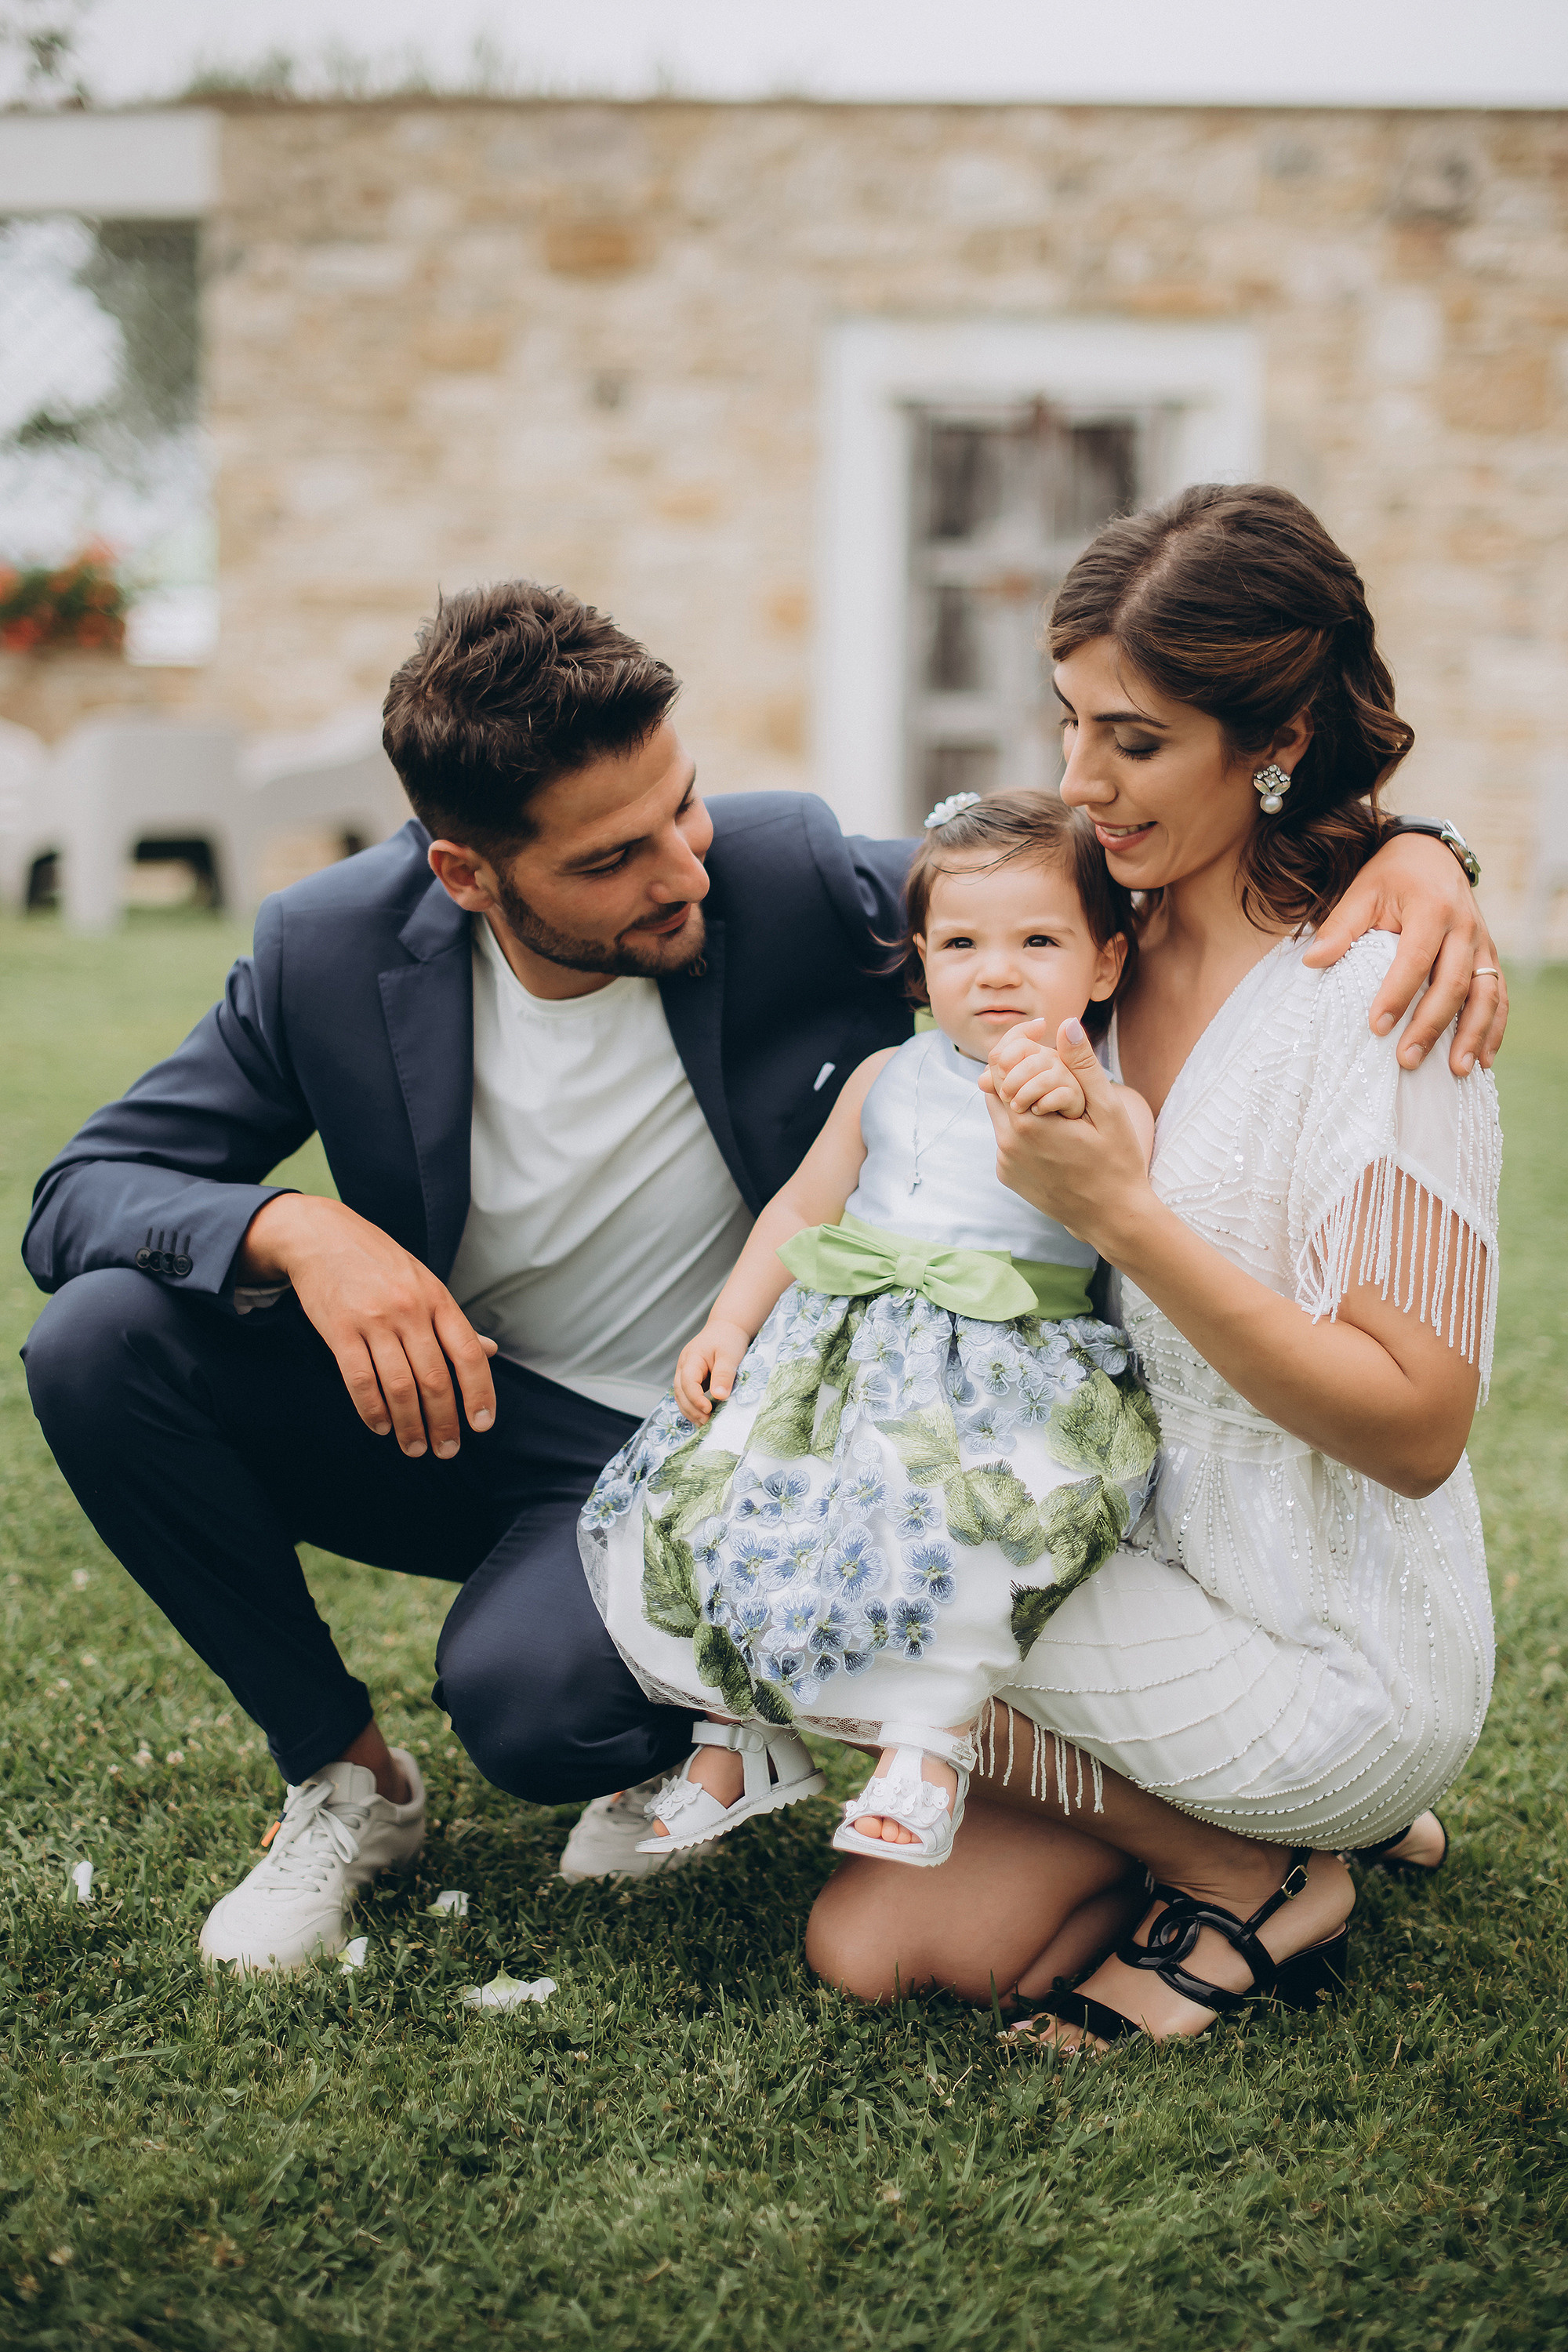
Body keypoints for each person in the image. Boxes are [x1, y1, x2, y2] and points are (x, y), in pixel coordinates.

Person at [20, 574, 1501, 1976]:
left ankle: (731, 1721)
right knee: (98, 1342)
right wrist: (301, 1231)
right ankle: (347, 1783)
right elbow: (83, 1192)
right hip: (471, 1411)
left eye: (680, 807)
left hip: (758, 1432)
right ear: (463, 871)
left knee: (531, 1712)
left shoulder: (777, 871)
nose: (681, 871)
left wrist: (1411, 847)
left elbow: (1067, 868)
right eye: (610, 859)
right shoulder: (324, 953)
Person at [804, 482, 1503, 2046]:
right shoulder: (1079, 923)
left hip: (1330, 1662)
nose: (1079, 783)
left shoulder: (1382, 999)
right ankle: (1207, 1827)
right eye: (1068, 724)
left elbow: (1416, 1430)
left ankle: (1259, 1866)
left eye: (1133, 740)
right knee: (876, 1945)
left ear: (1278, 740)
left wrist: (1126, 1216)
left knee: (826, 1570)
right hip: (1127, 1564)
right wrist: (1427, 839)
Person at [581, 789, 1158, 1868]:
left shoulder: (1106, 1098)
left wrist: (1073, 1104)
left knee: (952, 1532)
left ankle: (925, 1750)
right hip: (839, 1354)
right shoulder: (887, 1076)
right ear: (923, 964)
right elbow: (802, 1207)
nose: (997, 971)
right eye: (962, 944)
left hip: (1000, 1367)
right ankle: (737, 1736)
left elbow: (1127, 1193)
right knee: (738, 1499)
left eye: (1039, 942)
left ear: (1106, 964)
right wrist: (731, 1323)